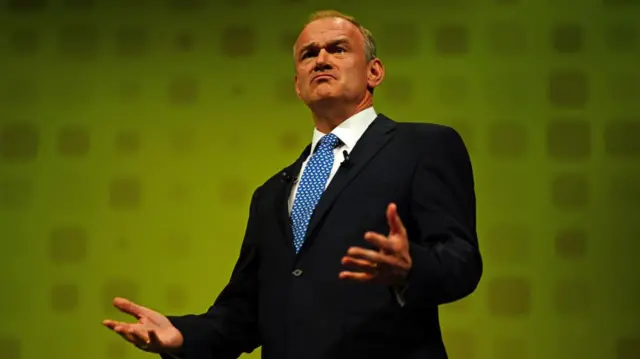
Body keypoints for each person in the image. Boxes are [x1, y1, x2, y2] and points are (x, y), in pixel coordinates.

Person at [102, 10, 482, 359]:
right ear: (298, 86)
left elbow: (461, 261)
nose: (321, 59)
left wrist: (411, 266)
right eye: (308, 54)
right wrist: (181, 335)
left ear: (374, 72)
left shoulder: (423, 146)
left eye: (338, 49)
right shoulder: (270, 195)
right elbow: (243, 314)